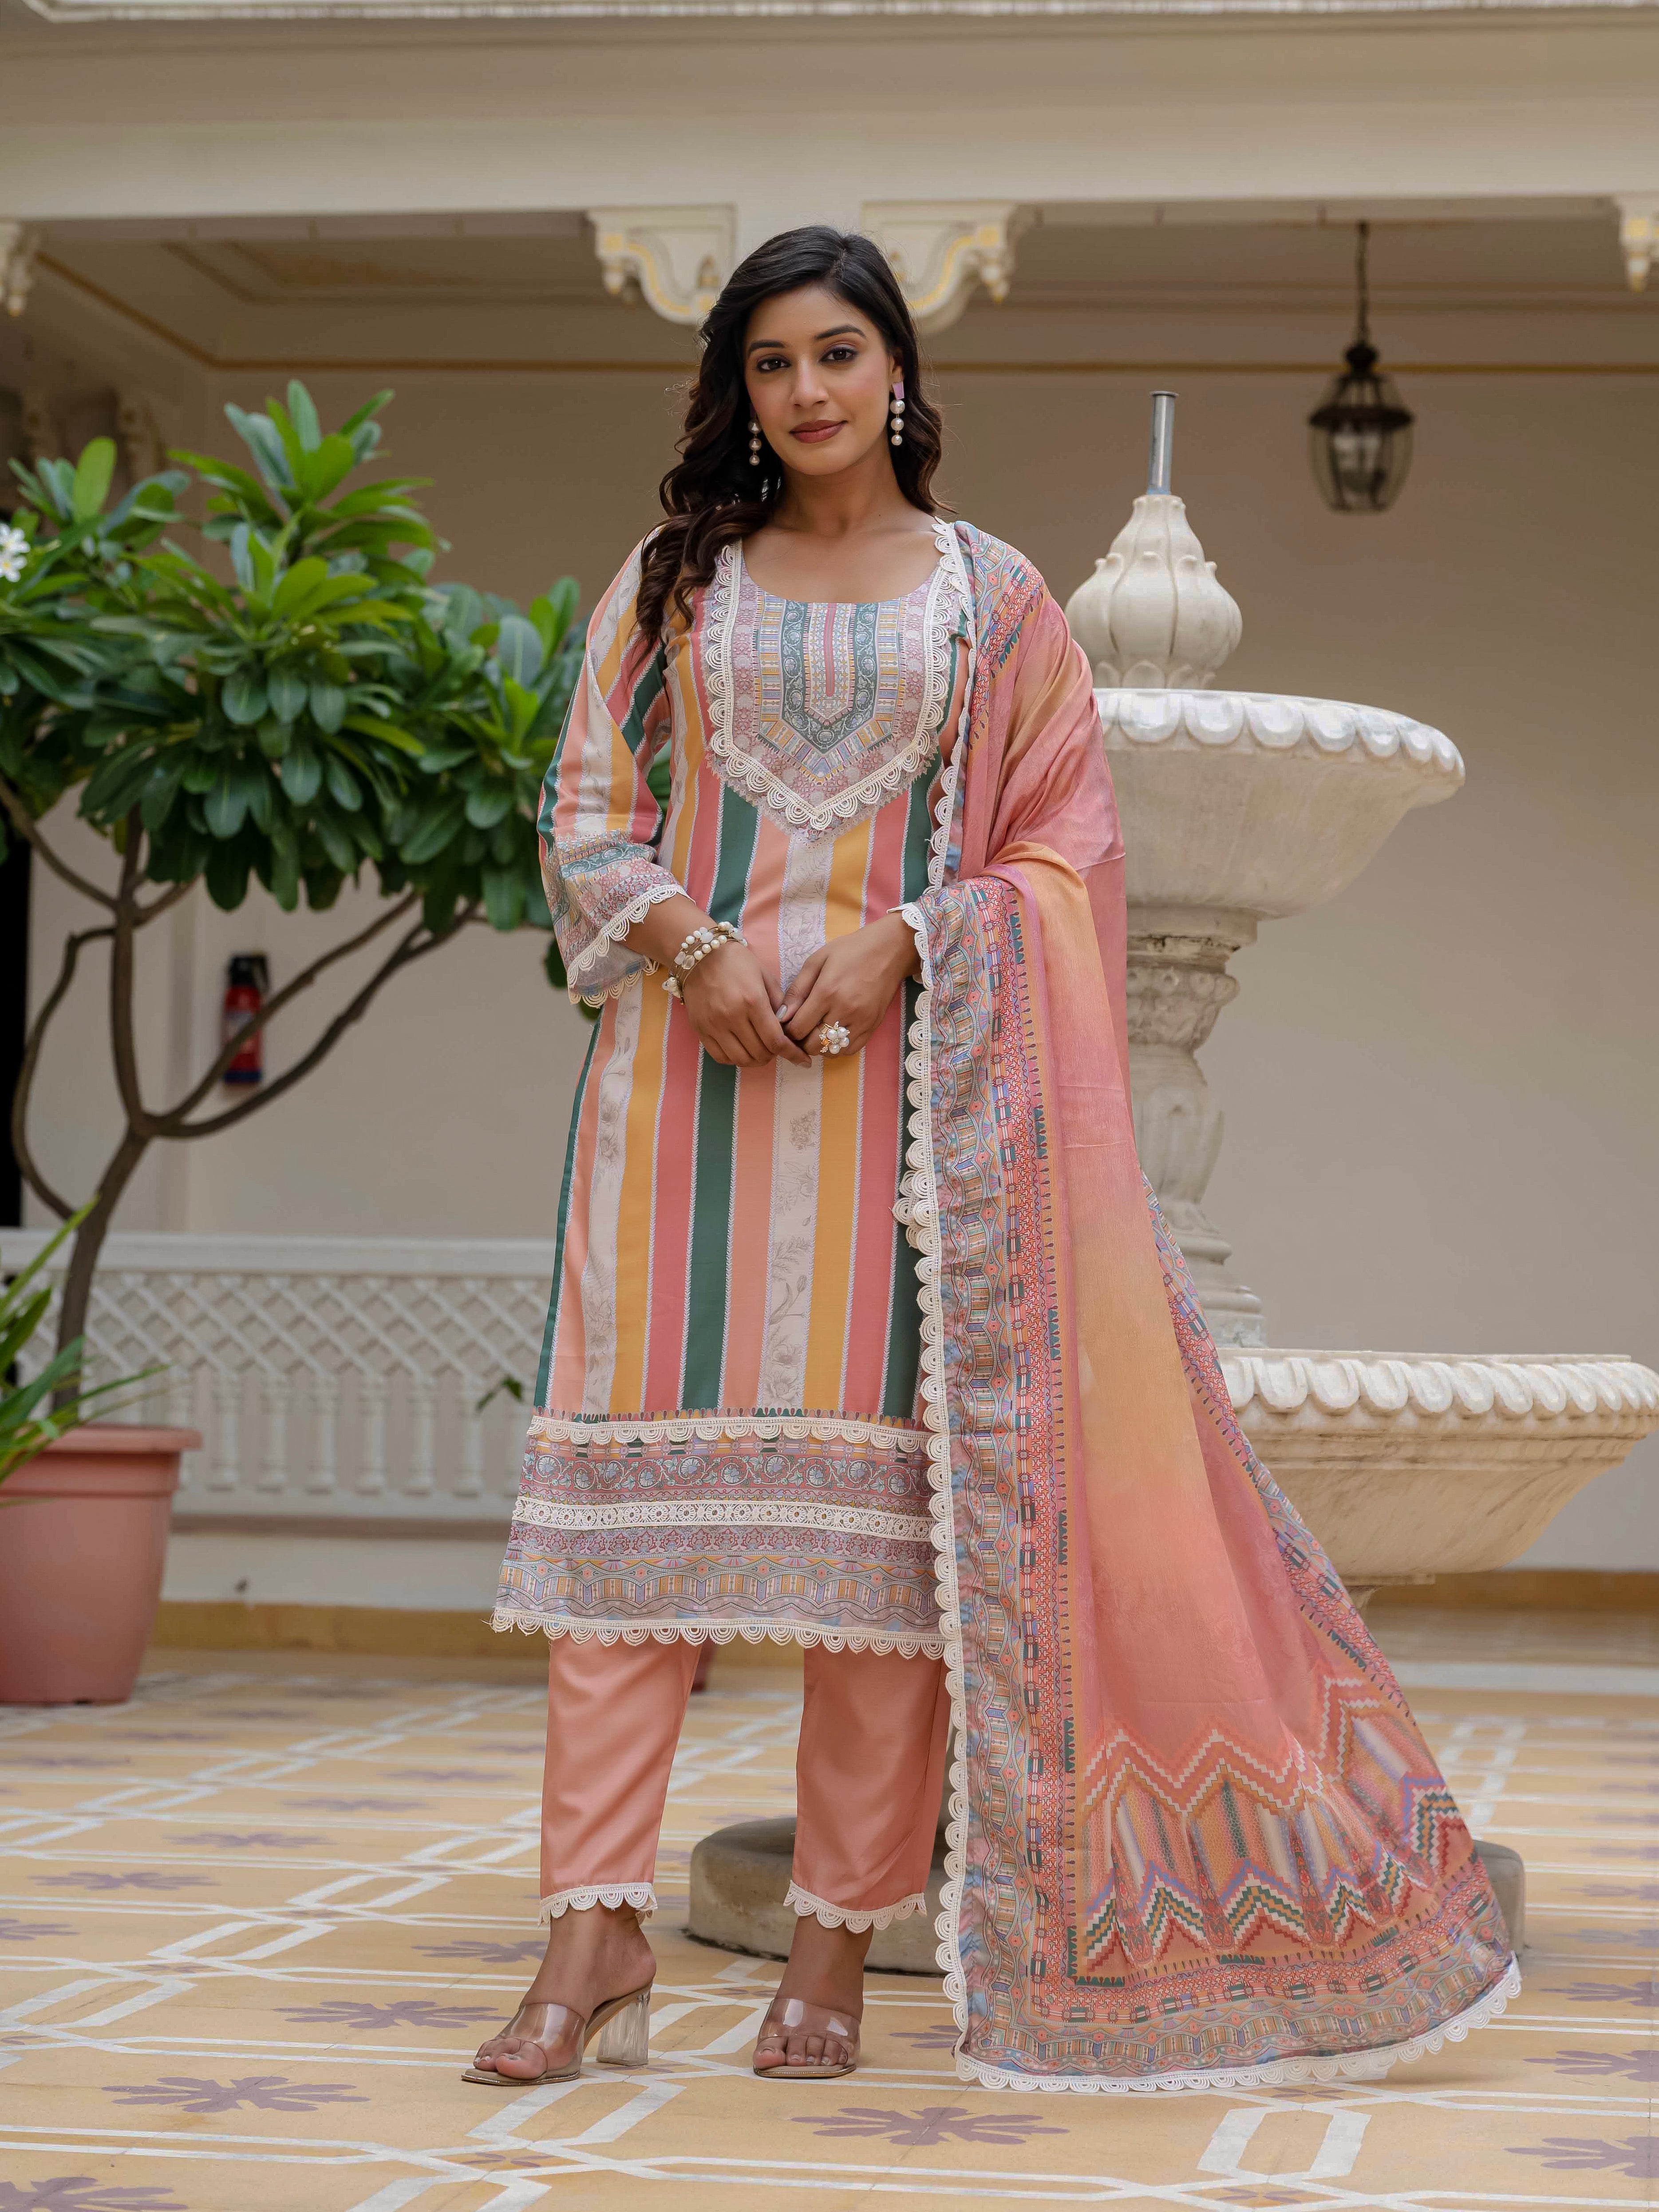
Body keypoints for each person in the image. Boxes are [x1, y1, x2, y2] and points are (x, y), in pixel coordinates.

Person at [470, 225, 1517, 2094]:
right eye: (773, 361)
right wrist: (690, 949)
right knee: (621, 1554)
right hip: (675, 1111)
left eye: (838, 353)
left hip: (911, 1127)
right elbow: (581, 811)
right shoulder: (668, 586)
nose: (807, 391)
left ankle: (827, 1941)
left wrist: (914, 937)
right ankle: (590, 1928)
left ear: (896, 370)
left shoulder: (991, 599)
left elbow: (1063, 849)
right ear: (739, 386)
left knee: (886, 1562)